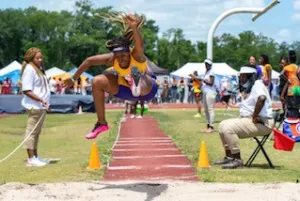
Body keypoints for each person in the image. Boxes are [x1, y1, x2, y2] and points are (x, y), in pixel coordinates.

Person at [63, 12, 158, 139]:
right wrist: (73, 78)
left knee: (142, 77)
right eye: (118, 57)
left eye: (123, 56)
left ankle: (137, 79)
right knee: (97, 81)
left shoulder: (136, 55)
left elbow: (140, 43)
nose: (121, 59)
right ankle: (101, 123)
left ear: (128, 53)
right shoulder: (112, 59)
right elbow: (89, 61)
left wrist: (134, 27)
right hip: (125, 90)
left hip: (148, 90)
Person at [214, 64, 274, 169]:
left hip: (263, 122)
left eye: (243, 76)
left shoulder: (257, 84)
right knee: (222, 125)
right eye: (240, 76)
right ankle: (229, 157)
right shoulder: (252, 86)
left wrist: (255, 116)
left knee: (228, 128)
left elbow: (262, 98)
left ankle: (237, 160)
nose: (240, 78)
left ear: (250, 76)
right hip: (253, 120)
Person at [21, 47, 50, 167]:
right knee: (31, 133)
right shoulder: (29, 69)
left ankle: (36, 156)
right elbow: (27, 90)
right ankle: (31, 158)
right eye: (37, 58)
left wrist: (46, 102)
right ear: (30, 58)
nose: (40, 59)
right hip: (35, 106)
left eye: (41, 57)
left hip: (41, 107)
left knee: (36, 133)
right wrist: (41, 99)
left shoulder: (38, 69)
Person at [280, 50, 300, 118]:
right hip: (298, 88)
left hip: (291, 88)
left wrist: (287, 80)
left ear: (289, 58)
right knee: (296, 106)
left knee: (291, 106)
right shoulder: (297, 66)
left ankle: (292, 120)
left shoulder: (287, 67)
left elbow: (281, 74)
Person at [201, 59, 216, 133]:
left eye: (208, 64)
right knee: (206, 110)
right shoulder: (206, 72)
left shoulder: (212, 72)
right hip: (205, 91)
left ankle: (211, 126)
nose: (206, 65)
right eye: (205, 64)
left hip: (210, 92)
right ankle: (207, 126)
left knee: (210, 109)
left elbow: (211, 83)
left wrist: (203, 80)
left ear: (210, 65)